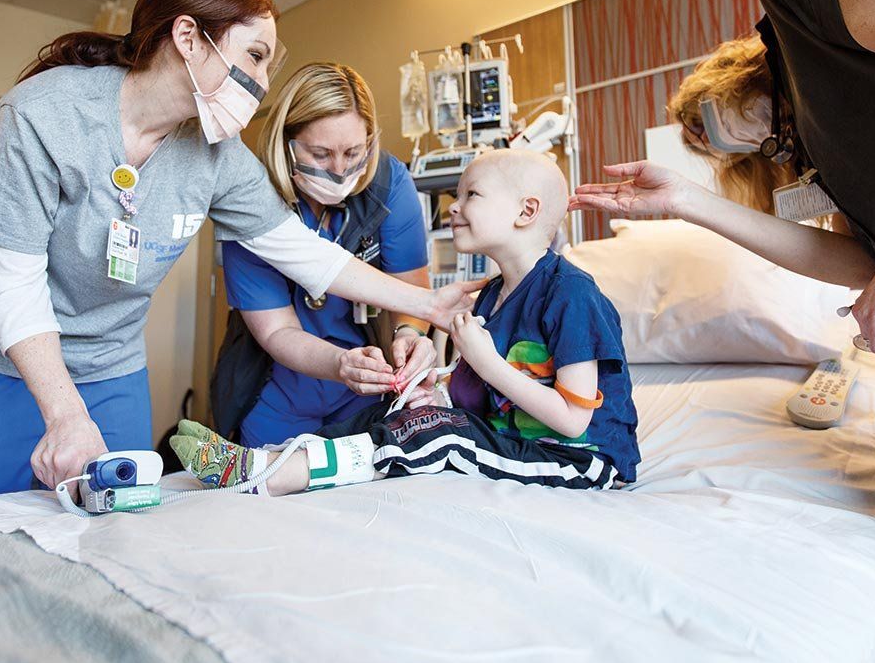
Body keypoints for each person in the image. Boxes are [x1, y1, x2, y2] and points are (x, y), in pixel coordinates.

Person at [570, 0, 875, 663]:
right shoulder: (820, 163)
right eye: (697, 142)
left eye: (700, 121)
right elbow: (856, 262)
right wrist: (690, 201)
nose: (707, 136)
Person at [0, 0, 482, 506]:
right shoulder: (43, 116)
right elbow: (11, 290)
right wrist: (65, 415)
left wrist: (428, 303)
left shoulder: (216, 155)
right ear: (187, 39)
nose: (260, 81)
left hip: (109, 366)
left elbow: (304, 253)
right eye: (254, 56)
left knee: (112, 541)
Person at [170, 150, 639, 496]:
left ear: (526, 211)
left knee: (446, 434)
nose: (452, 207)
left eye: (470, 195)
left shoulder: (573, 295)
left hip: (579, 460)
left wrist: (485, 364)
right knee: (395, 412)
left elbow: (574, 420)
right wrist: (432, 392)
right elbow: (475, 397)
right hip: (513, 438)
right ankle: (265, 460)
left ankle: (269, 478)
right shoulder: (493, 295)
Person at [217, 62, 437, 446]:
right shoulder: (250, 199)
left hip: (362, 390)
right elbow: (277, 330)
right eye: (321, 154)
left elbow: (412, 291)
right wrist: (339, 364)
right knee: (268, 495)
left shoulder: (388, 184)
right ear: (287, 143)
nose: (339, 170)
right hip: (275, 391)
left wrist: (408, 334)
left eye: (354, 151)